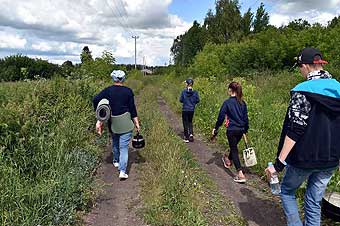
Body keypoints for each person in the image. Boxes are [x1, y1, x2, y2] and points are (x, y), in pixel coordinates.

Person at [265, 47, 340, 226]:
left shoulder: (303, 91)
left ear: (306, 66)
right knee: (314, 201)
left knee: (286, 191)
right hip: (330, 160)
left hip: (304, 158)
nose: (300, 70)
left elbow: (296, 128)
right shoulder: (338, 88)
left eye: (300, 66)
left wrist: (278, 164)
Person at [93, 70, 140, 180]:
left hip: (113, 122)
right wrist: (137, 123)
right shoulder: (128, 91)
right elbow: (132, 109)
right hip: (126, 122)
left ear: (113, 78)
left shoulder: (108, 91)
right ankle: (122, 171)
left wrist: (99, 112)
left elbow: (95, 99)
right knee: (124, 147)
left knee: (115, 141)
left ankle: (116, 161)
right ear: (123, 79)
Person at [212, 81, 249, 183]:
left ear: (230, 90)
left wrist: (216, 128)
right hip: (241, 130)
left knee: (234, 150)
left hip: (232, 130)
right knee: (234, 148)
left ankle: (240, 174)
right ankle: (228, 160)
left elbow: (220, 117)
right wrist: (245, 129)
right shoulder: (243, 103)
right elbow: (246, 118)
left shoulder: (227, 103)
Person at [179, 78, 200, 143]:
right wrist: (193, 103)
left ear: (187, 84)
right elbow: (198, 100)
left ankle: (186, 137)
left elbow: (181, 100)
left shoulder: (183, 91)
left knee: (185, 123)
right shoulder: (195, 92)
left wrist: (186, 101)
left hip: (185, 109)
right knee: (190, 122)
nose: (185, 84)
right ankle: (191, 134)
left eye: (186, 83)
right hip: (191, 109)